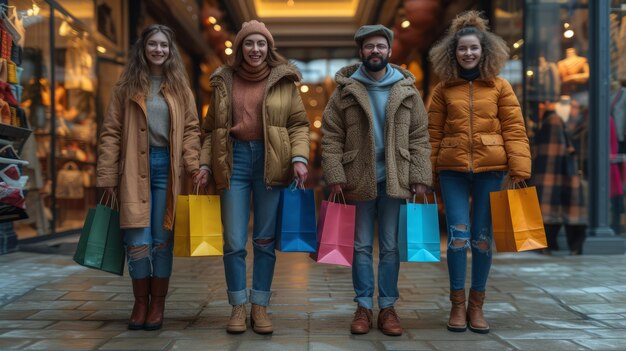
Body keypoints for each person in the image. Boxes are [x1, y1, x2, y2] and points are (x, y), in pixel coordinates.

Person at [195, 20, 310, 335]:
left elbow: (299, 124)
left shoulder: (284, 82)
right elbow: (210, 130)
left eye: (261, 44)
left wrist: (299, 157)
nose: (255, 49)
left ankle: (260, 306)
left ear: (268, 48)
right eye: (249, 43)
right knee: (233, 241)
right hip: (233, 161)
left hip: (271, 163)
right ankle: (237, 306)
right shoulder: (223, 81)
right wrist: (205, 165)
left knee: (263, 240)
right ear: (240, 48)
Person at [321, 24, 432, 336]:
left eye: (380, 46)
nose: (375, 51)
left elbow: (420, 137)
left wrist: (421, 175)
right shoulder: (344, 91)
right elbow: (331, 137)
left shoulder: (408, 90)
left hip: (396, 178)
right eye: (369, 46)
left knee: (390, 247)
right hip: (358, 178)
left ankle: (387, 308)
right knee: (359, 246)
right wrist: (335, 175)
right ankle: (362, 307)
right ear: (361, 52)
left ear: (389, 51)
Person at [428, 11, 531, 334]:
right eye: (462, 49)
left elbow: (514, 129)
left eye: (474, 48)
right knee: (458, 238)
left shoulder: (500, 87)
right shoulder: (444, 90)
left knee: (482, 240)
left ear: (484, 51)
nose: (468, 53)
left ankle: (477, 307)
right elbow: (432, 133)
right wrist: (427, 173)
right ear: (453, 53)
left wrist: (519, 167)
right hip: (453, 170)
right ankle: (457, 305)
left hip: (492, 170)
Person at [96, 24, 202, 331]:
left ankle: (158, 304)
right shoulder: (126, 87)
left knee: (160, 242)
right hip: (132, 169)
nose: (158, 49)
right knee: (137, 242)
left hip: (167, 171)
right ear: (143, 49)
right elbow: (111, 132)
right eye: (153, 44)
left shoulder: (182, 89)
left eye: (164, 45)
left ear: (171, 52)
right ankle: (140, 302)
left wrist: (193, 165)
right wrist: (106, 174)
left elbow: (193, 130)